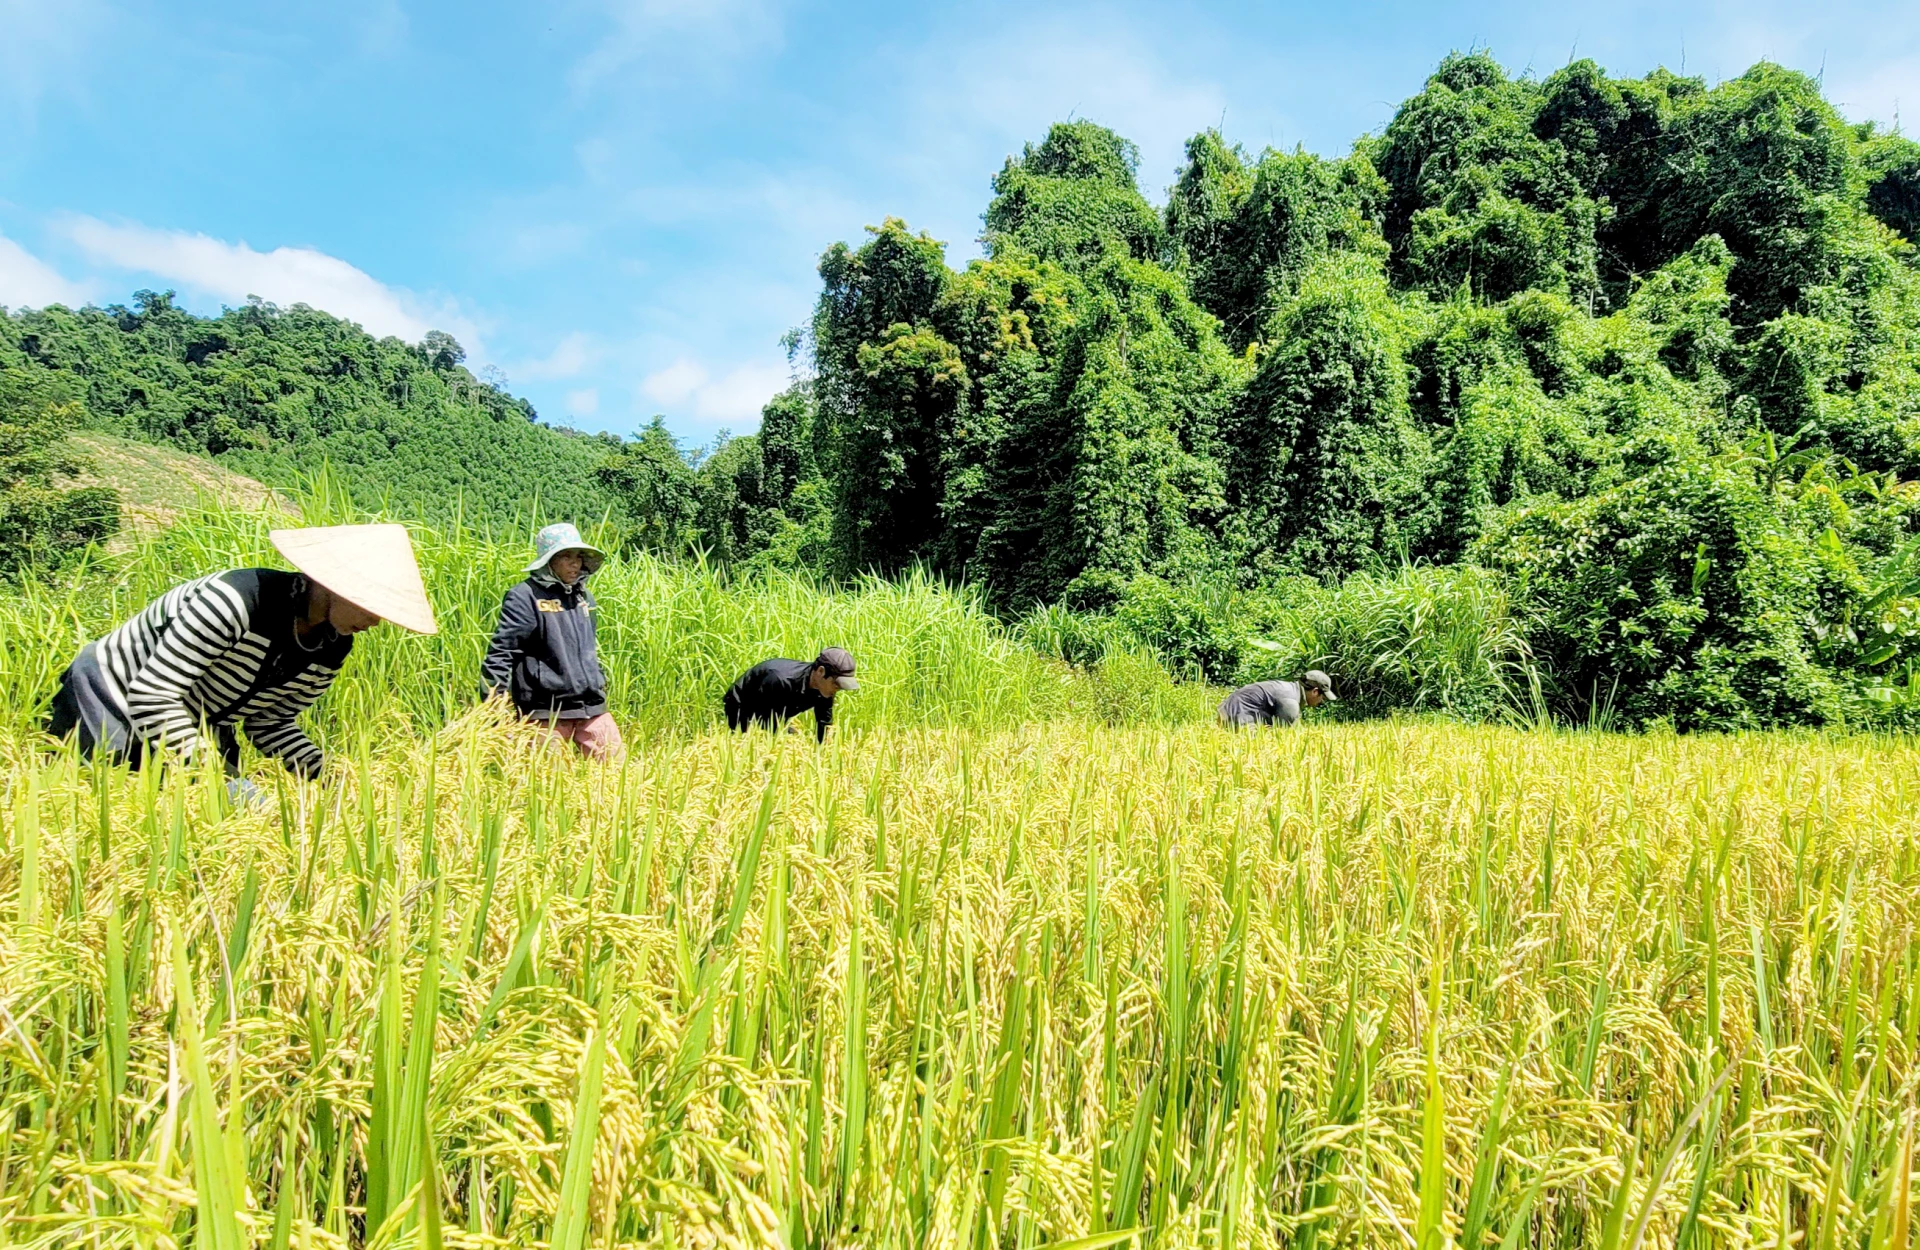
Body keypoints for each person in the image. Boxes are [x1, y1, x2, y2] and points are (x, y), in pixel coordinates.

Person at [44, 523, 438, 787]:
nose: (375, 622)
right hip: (111, 699)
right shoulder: (235, 600)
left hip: (199, 719)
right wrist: (219, 779)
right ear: (333, 586)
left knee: (219, 806)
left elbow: (270, 723)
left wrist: (333, 779)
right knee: (110, 802)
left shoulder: (332, 645)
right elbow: (153, 695)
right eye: (371, 607)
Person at [481, 522, 623, 759]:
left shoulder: (583, 597)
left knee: (619, 775)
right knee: (548, 786)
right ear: (549, 560)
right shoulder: (525, 597)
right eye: (565, 556)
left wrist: (598, 679)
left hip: (591, 706)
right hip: (545, 711)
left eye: (578, 556)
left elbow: (588, 648)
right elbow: (501, 654)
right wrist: (495, 709)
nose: (575, 563)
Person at [723, 647, 859, 743]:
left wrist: (823, 750)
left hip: (776, 712)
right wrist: (789, 741)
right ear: (820, 671)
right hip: (743, 705)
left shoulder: (824, 688)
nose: (837, 690)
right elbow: (766, 720)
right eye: (836, 684)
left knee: (791, 739)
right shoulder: (780, 680)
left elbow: (824, 723)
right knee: (752, 744)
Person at [1217, 669, 1338, 728]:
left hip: (1226, 710)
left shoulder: (1289, 689)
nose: (1321, 701)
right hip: (1238, 716)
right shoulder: (1291, 703)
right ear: (1315, 692)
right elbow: (1281, 737)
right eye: (1323, 697)